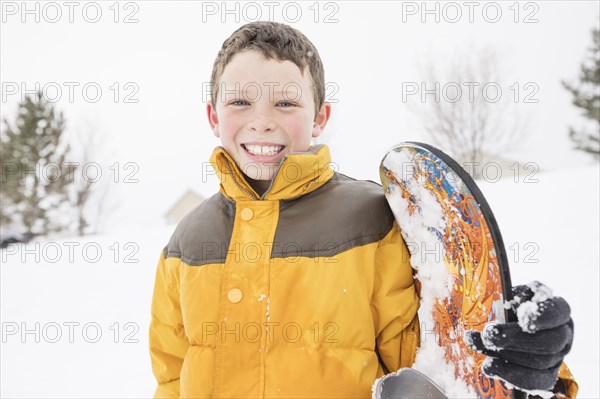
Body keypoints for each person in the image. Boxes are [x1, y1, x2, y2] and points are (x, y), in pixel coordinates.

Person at [149, 21, 577, 398]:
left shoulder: (369, 218)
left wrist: (530, 364)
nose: (261, 121)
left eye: (285, 103)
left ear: (320, 117)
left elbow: (434, 361)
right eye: (240, 102)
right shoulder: (186, 243)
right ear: (212, 115)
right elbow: (171, 380)